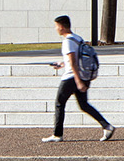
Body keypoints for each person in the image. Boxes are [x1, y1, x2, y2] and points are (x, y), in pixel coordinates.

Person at [43, 15, 114, 143]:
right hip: (82, 75)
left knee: (59, 103)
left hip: (71, 77)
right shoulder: (77, 38)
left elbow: (73, 62)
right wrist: (62, 64)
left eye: (56, 26)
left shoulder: (67, 41)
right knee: (84, 105)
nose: (55, 29)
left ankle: (57, 135)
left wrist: (77, 81)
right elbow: (75, 59)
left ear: (61, 26)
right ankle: (107, 126)